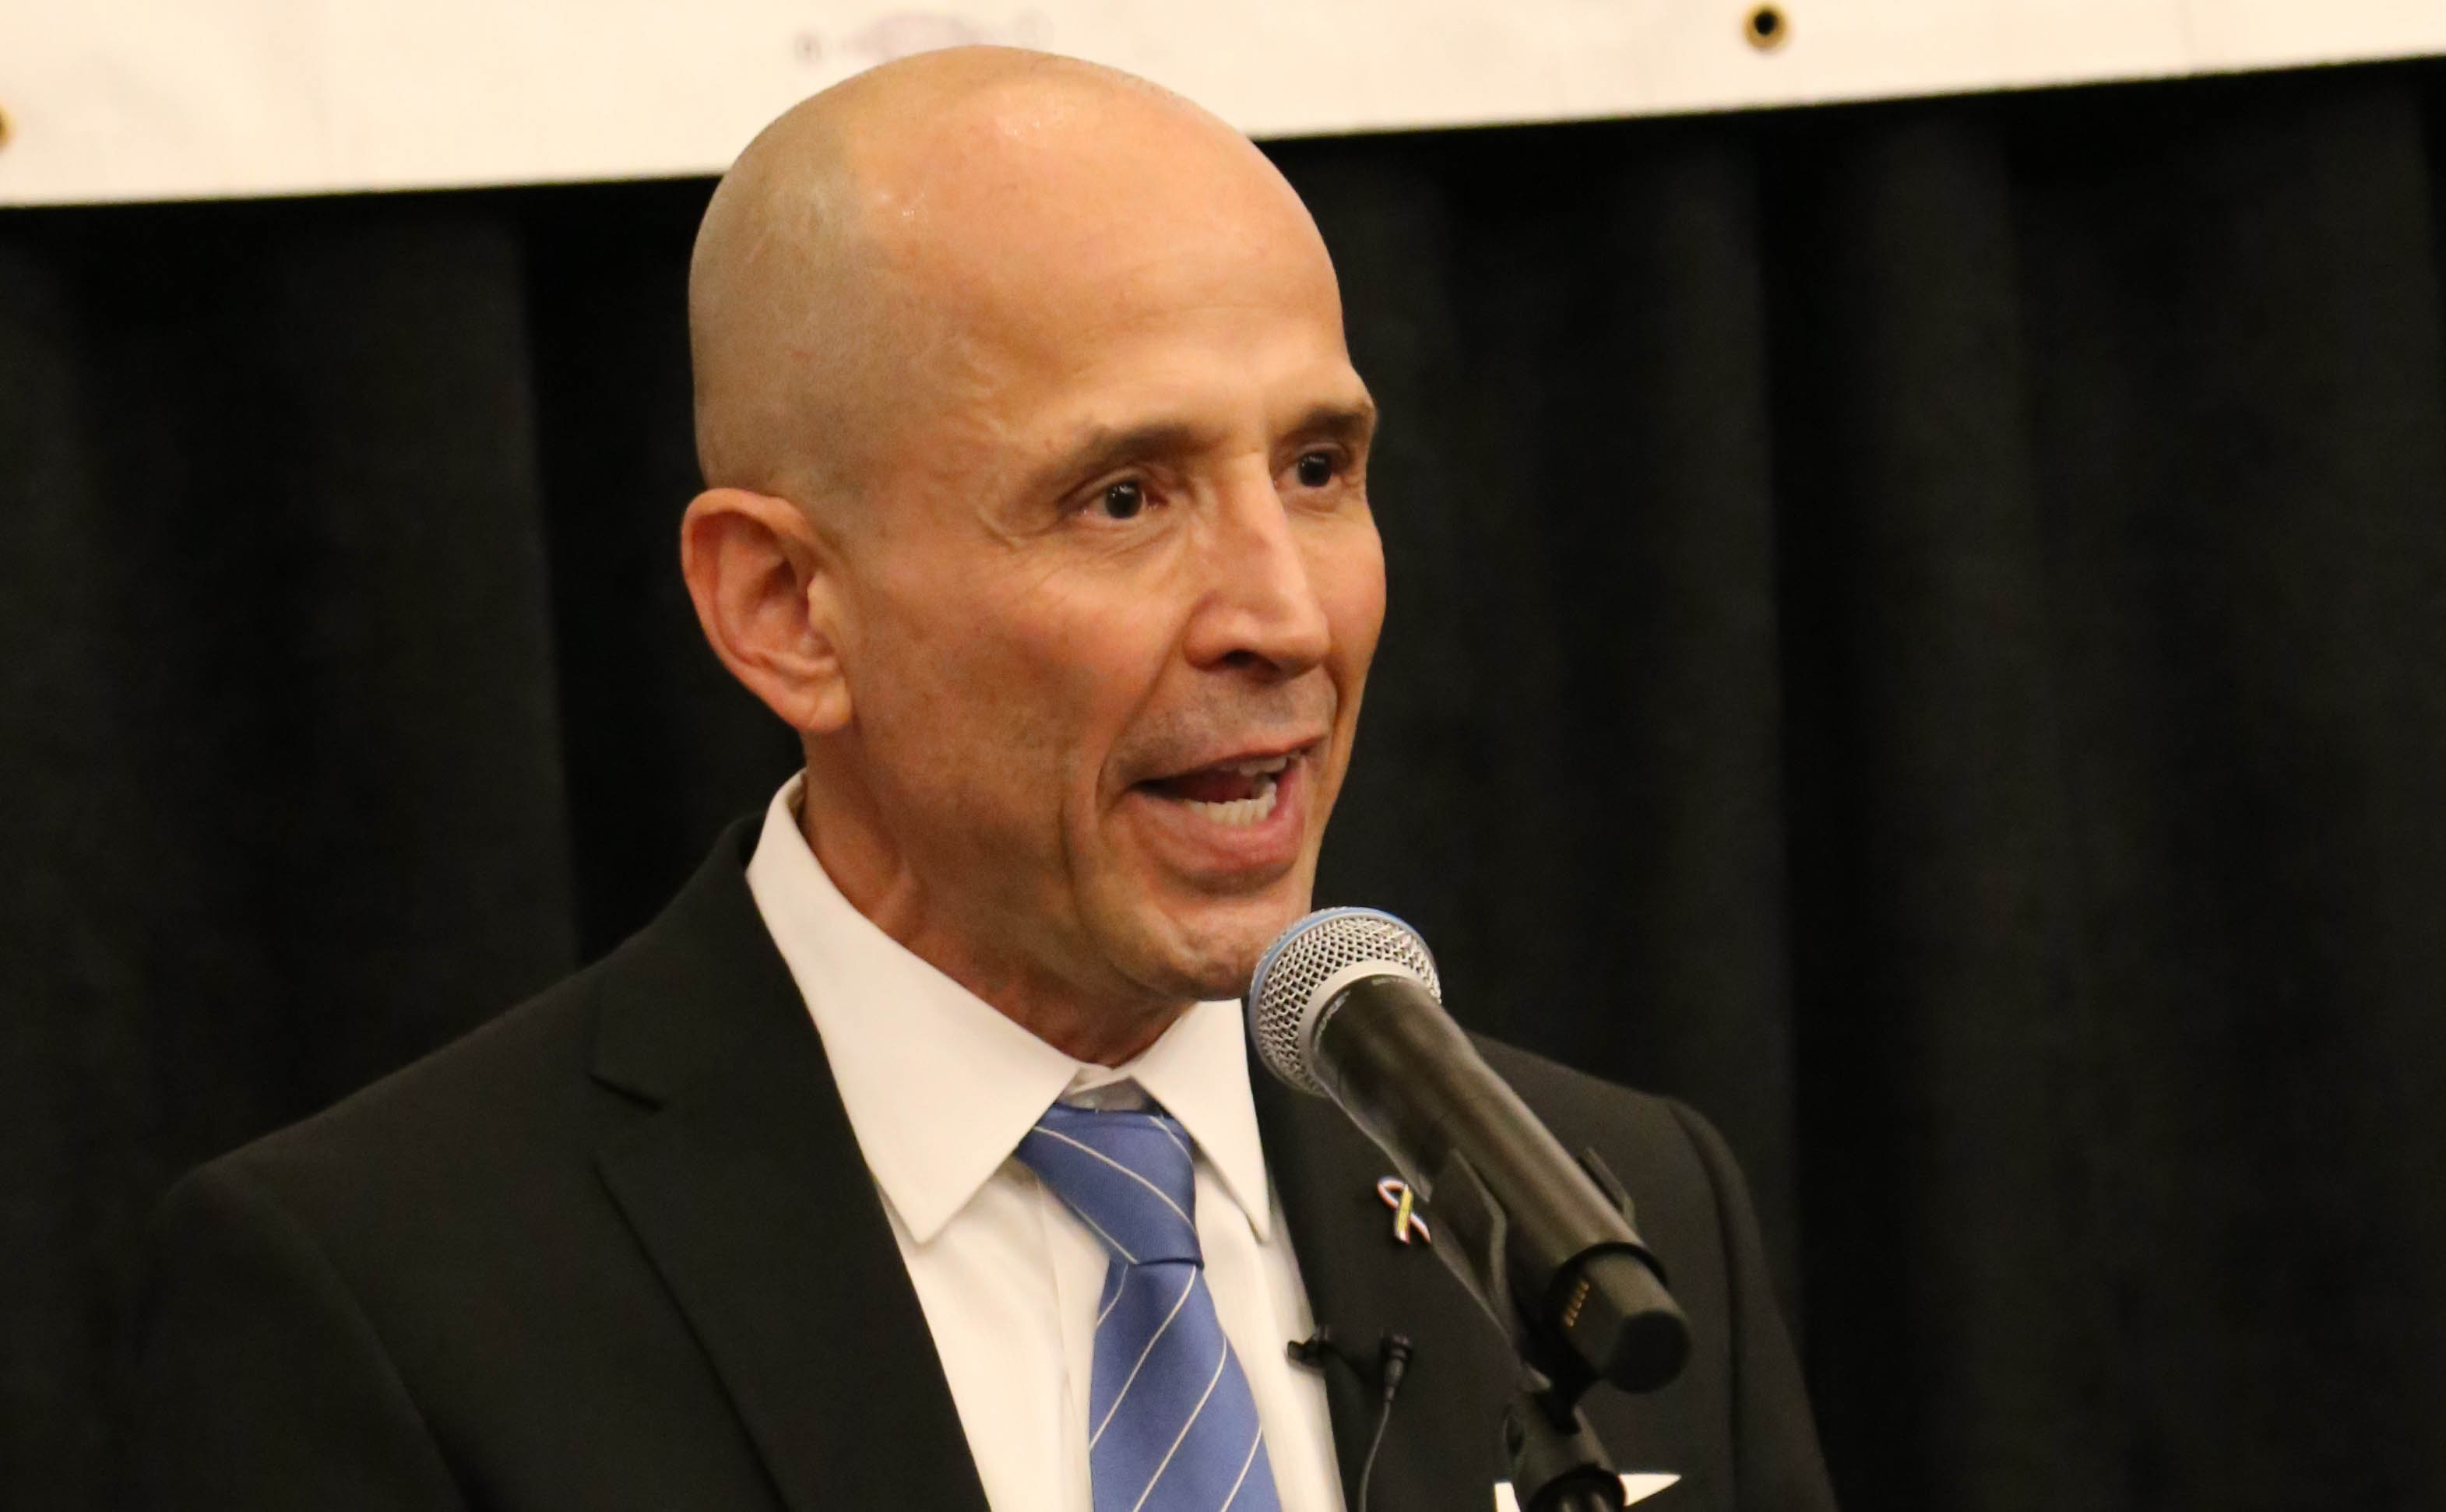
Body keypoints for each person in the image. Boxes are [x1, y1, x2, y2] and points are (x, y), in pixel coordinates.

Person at [140, 47, 1835, 1512]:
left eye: (1318, 467)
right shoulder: (382, 1293)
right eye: (1124, 498)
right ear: (787, 608)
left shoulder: (1605, 1219)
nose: (1286, 613)